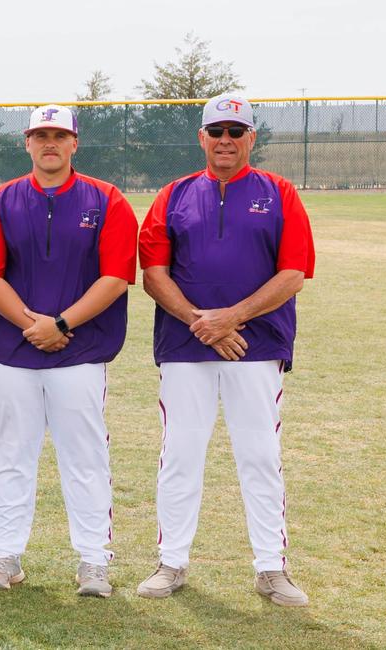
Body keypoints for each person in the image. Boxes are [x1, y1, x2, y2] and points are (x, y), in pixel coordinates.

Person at [134, 93, 314, 607]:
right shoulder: (173, 194)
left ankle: (271, 568)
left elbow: (294, 273)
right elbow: (154, 274)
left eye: (237, 131)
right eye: (217, 131)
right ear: (202, 138)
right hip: (186, 345)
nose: (226, 141)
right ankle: (171, 562)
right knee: (180, 455)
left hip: (256, 347)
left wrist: (231, 318)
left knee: (259, 455)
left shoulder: (280, 193)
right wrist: (200, 321)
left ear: (252, 137)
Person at [0, 105, 136, 598]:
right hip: (16, 351)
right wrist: (33, 324)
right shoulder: (1, 200)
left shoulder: (106, 199)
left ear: (74, 142)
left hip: (80, 351)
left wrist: (61, 323)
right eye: (40, 135)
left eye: (59, 135)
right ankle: (5, 555)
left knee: (84, 456)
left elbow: (117, 276)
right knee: (11, 454)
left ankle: (93, 560)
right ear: (27, 143)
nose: (50, 143)